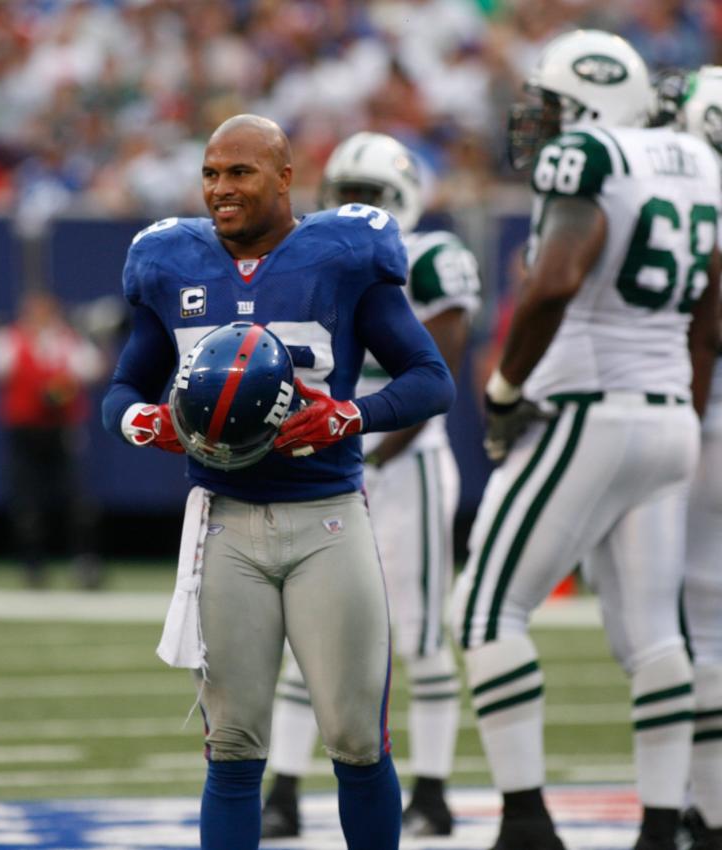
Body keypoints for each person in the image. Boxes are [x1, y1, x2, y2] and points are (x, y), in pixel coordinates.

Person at [102, 114, 455, 850]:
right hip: (225, 522)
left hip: (326, 516)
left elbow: (432, 380)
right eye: (210, 173)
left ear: (286, 177)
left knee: (357, 740)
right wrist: (142, 422)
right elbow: (123, 388)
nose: (220, 189)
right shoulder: (170, 262)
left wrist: (347, 416)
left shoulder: (344, 254)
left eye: (240, 172)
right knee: (231, 747)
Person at [452, 30, 721, 850]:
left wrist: (504, 389)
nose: (534, 121)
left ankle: (527, 822)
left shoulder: (593, 158)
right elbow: (708, 322)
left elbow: (558, 280)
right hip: (670, 416)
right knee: (656, 638)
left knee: (486, 609)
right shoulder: (699, 162)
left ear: (590, 104)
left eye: (550, 104)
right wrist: (679, 407)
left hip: (587, 409)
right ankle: (665, 826)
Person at [259, 131, 480, 839]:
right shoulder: (313, 257)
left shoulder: (433, 256)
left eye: (369, 196)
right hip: (333, 460)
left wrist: (375, 456)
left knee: (416, 633)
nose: (354, 209)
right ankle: (285, 789)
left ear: (403, 199)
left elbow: (433, 378)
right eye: (344, 194)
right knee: (306, 634)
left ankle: (434, 789)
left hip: (400, 464)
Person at [668, 65, 722, 850]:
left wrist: (691, 410)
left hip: (704, 419)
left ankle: (704, 807)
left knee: (693, 616)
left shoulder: (695, 194)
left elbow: (704, 328)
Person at [0, 289, 106, 589]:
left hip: (62, 430)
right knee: (27, 503)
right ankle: (33, 566)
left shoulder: (68, 341)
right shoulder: (10, 340)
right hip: (24, 431)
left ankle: (85, 562)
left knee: (76, 501)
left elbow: (94, 370)